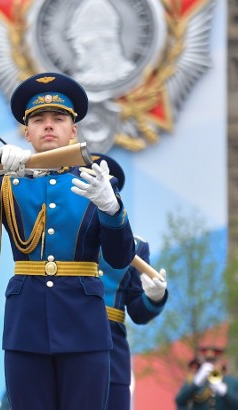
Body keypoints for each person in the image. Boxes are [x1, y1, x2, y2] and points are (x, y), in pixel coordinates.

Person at [0, 72, 135, 410]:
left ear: (73, 130)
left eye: (58, 119)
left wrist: (112, 208)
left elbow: (120, 258)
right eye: (39, 120)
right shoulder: (10, 183)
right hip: (27, 323)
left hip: (84, 326)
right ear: (26, 132)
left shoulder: (96, 184)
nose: (49, 126)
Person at [92, 154, 168, 410]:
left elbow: (138, 311)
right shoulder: (57, 232)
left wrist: (154, 297)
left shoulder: (135, 245)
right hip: (63, 330)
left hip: (111, 343)